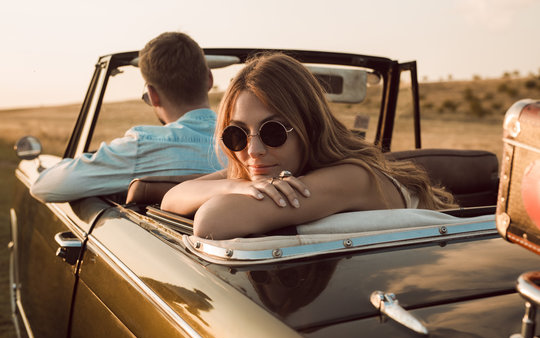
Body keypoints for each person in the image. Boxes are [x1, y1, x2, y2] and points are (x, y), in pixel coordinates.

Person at [161, 52, 455, 240]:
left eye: (273, 131)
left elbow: (214, 220)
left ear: (308, 127)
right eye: (236, 134)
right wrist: (234, 185)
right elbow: (172, 198)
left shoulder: (353, 178)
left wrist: (237, 188)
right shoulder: (269, 169)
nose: (253, 151)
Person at [31, 32, 221, 203]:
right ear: (210, 79)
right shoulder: (245, 144)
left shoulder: (142, 147)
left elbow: (44, 187)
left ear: (152, 95)